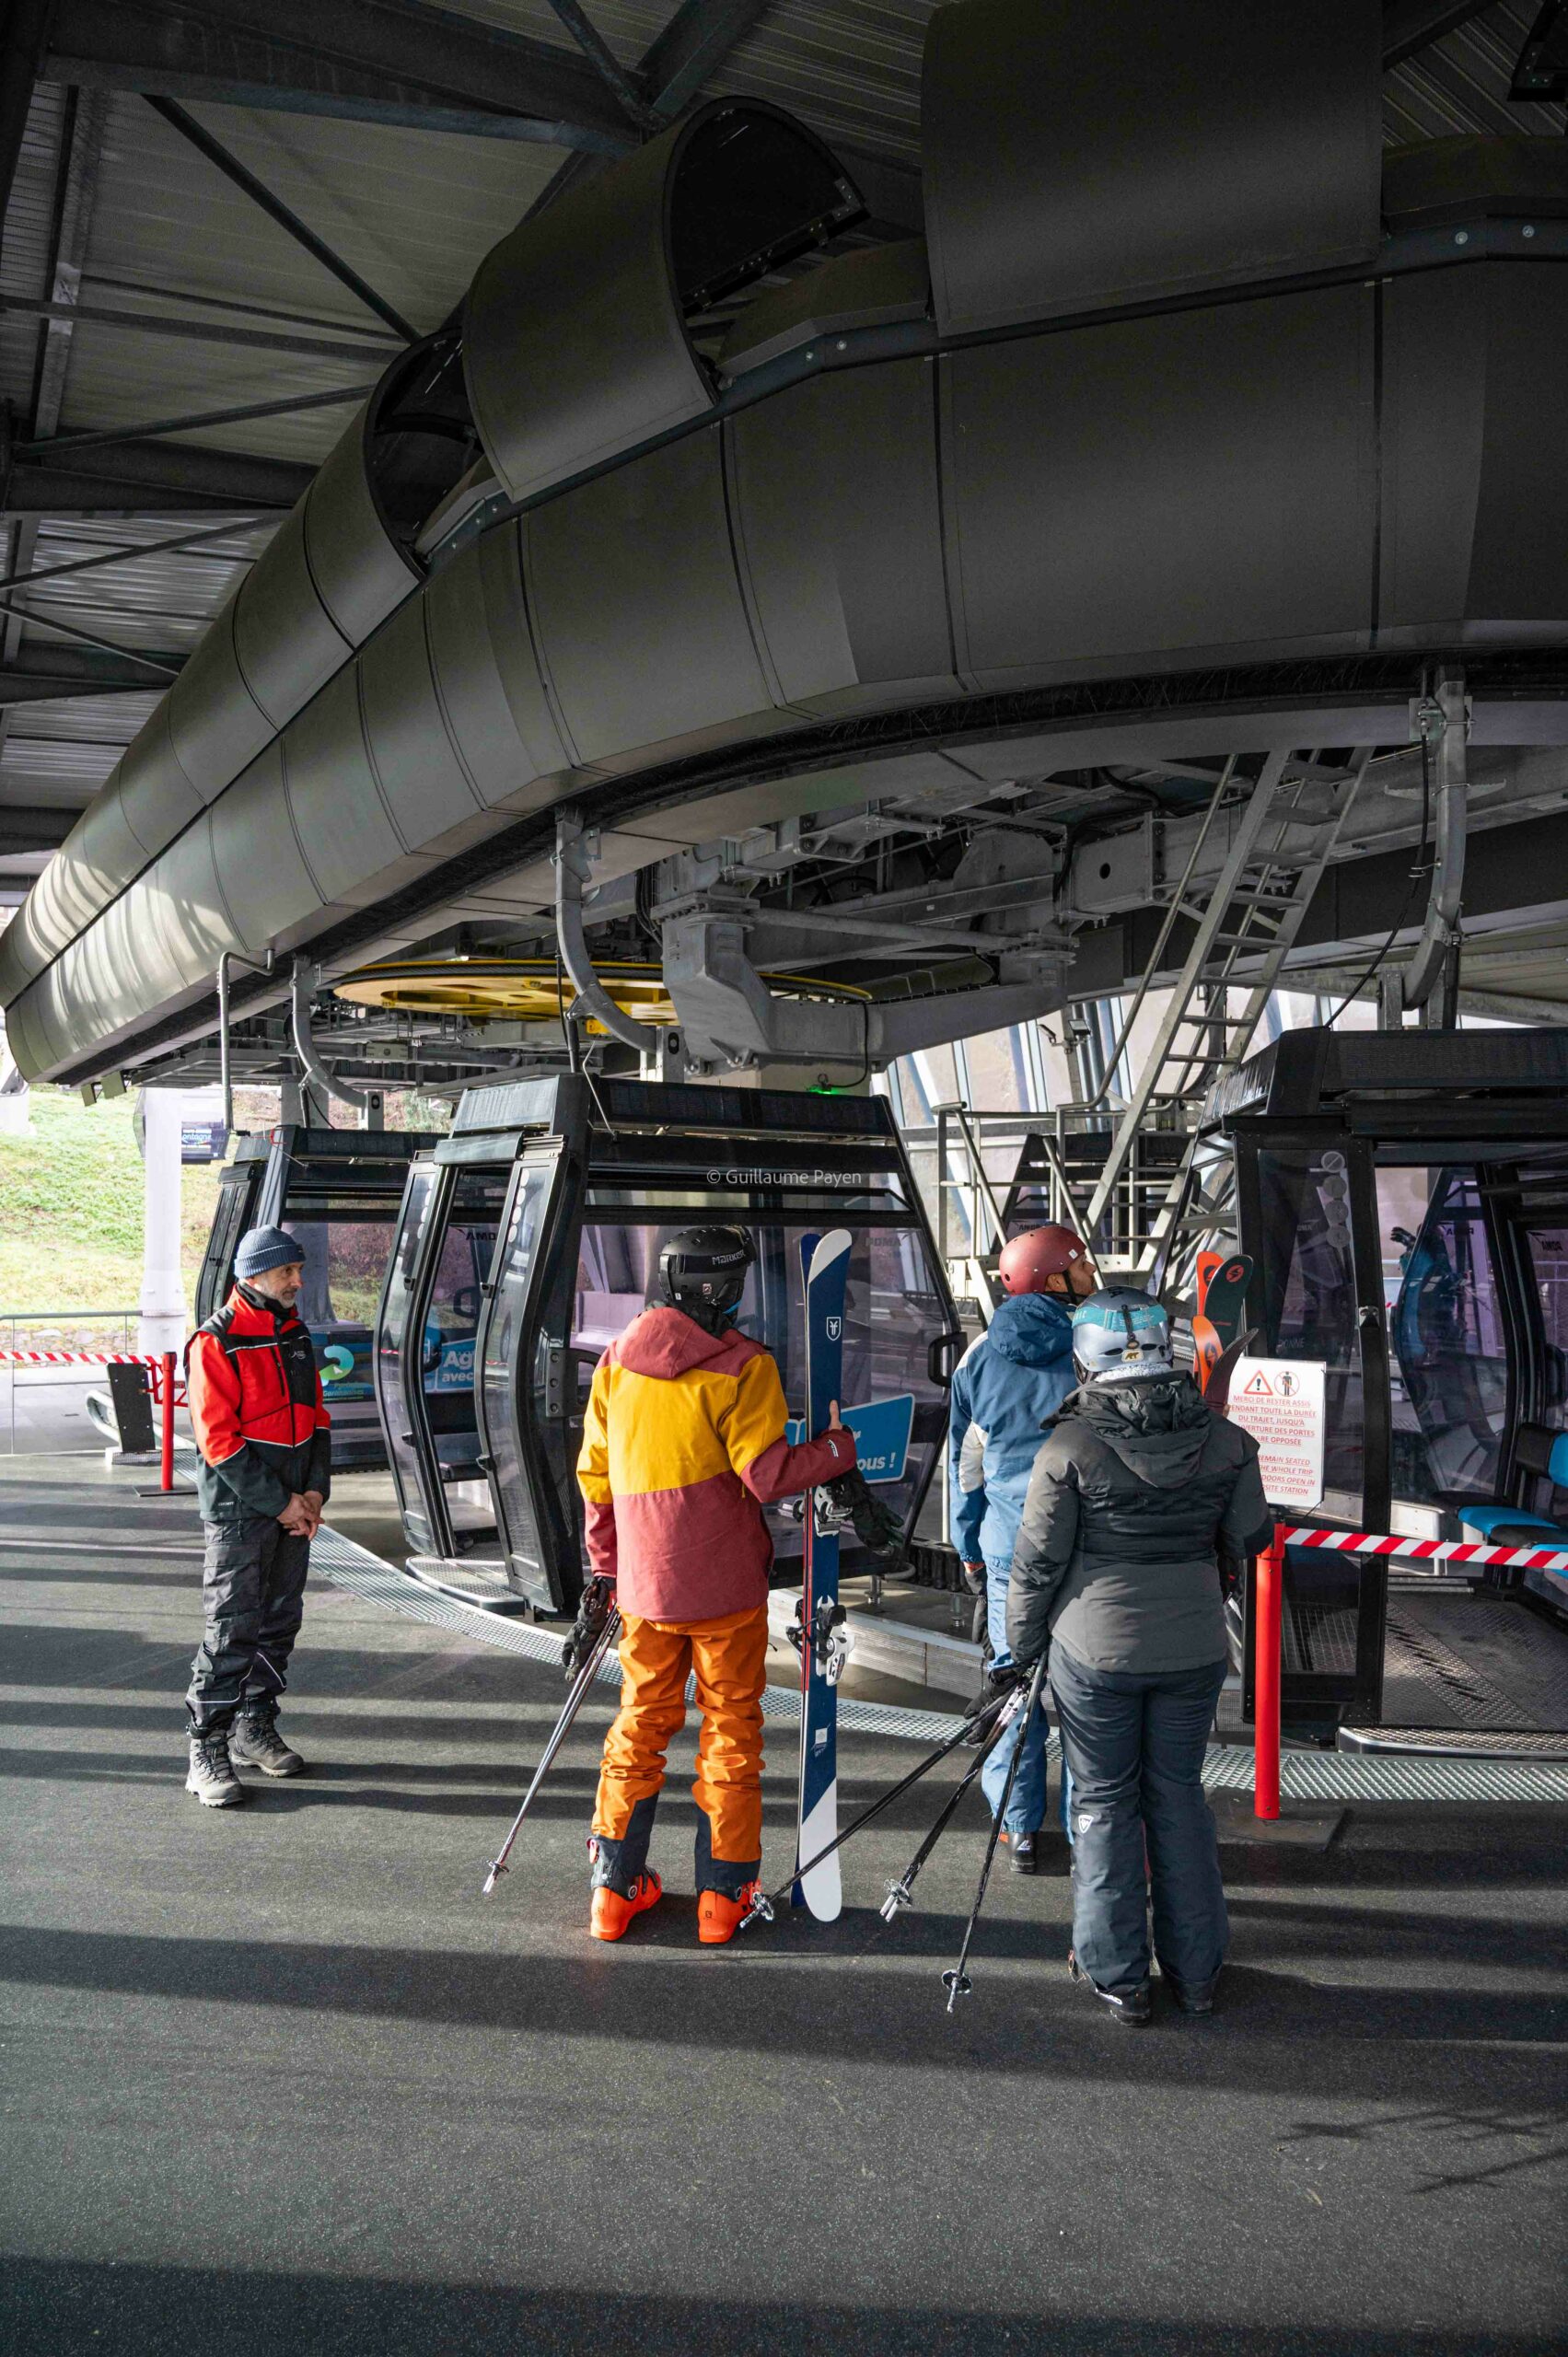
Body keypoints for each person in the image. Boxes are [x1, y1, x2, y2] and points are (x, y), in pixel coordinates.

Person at [571, 1225, 856, 1945]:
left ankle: (613, 1891)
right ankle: (723, 1899)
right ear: (723, 1289)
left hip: (643, 1587)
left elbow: (596, 1481)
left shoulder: (615, 1360)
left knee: (639, 1725)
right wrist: (834, 1450)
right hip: (724, 1589)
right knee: (730, 1732)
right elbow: (766, 1475)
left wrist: (605, 1566)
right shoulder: (743, 1366)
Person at [1006, 1287, 1270, 2024]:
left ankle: (1118, 1978)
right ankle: (1196, 1974)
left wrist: (1018, 1653)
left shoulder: (1068, 1447)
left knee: (1101, 1804)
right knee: (1178, 1798)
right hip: (1192, 1649)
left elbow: (1035, 1566)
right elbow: (1252, 1540)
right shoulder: (1225, 1439)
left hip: (1093, 1656)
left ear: (1084, 1359)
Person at [948, 1225, 1095, 1872]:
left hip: (1008, 1549)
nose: (1090, 1272)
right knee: (1089, 1695)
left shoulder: (978, 1355)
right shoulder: (1097, 1346)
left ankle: (1018, 1828)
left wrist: (968, 1546)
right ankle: (1089, 1826)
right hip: (1089, 1551)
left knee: (1014, 1689)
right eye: (1079, 1265)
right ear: (1052, 1279)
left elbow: (966, 1465)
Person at [182, 1226, 331, 1807]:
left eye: (298, 1270)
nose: (298, 1281)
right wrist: (284, 1502)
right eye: (287, 1271)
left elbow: (317, 1418)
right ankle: (206, 1748)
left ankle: (253, 1727)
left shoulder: (295, 1334)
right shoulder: (214, 1342)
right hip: (241, 1512)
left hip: (295, 1509)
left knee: (278, 1623)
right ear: (254, 1275)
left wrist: (315, 1492)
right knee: (231, 1629)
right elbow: (218, 1442)